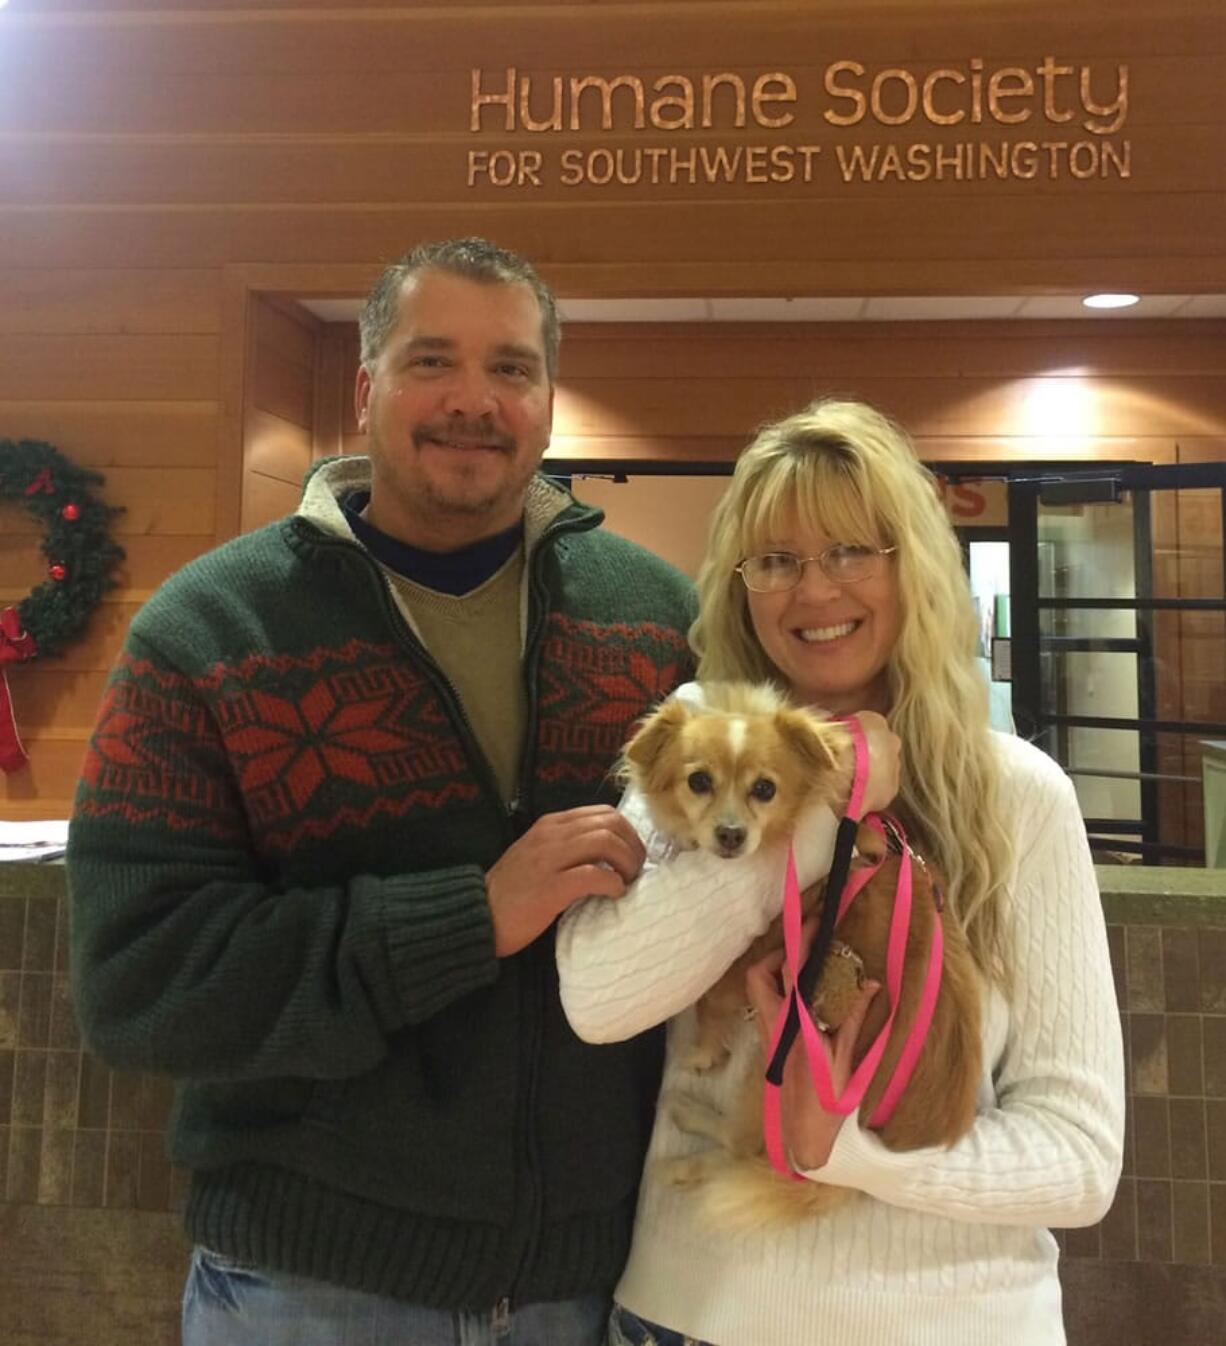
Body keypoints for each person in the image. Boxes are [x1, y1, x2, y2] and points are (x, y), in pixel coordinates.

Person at [67, 237, 706, 1345]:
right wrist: (466, 916)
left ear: (548, 400)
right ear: (365, 389)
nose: (472, 400)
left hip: (596, 1287)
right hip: (305, 1290)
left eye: (510, 367)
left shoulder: (656, 620)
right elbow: (138, 981)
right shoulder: (208, 630)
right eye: (431, 361)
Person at [556, 399, 1125, 1346]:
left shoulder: (1019, 794)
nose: (814, 591)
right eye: (776, 560)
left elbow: (1080, 1160)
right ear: (742, 587)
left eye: (854, 550)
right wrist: (820, 798)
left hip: (958, 1324)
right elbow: (601, 997)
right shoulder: (697, 742)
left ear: (917, 570)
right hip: (696, 1316)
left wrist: (846, 1152)